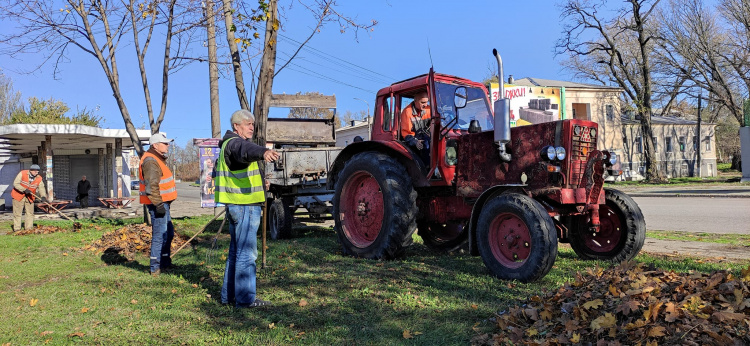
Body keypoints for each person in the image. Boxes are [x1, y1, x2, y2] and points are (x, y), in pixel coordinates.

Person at [215, 109, 280, 308]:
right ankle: (245, 300)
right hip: (244, 207)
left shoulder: (228, 143)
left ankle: (230, 296)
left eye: (253, 124)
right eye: (247, 123)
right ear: (236, 126)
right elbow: (244, 151)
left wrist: (262, 184)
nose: (252, 127)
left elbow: (240, 167)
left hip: (239, 205)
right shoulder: (235, 143)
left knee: (236, 252)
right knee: (246, 254)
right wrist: (263, 152)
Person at [139, 133, 177, 276]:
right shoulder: (150, 161)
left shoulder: (157, 159)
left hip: (162, 203)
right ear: (155, 145)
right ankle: (155, 267)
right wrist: (159, 205)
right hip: (158, 204)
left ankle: (165, 262)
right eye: (165, 143)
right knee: (160, 235)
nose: (168, 145)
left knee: (169, 232)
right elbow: (151, 186)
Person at [11, 164, 47, 232]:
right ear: (31, 170)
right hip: (18, 195)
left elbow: (41, 187)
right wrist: (24, 189)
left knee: (30, 213)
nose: (37, 173)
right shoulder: (22, 173)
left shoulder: (39, 178)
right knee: (17, 213)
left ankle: (28, 228)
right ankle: (17, 228)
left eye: (38, 171)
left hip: (30, 196)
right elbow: (16, 183)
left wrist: (43, 196)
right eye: (35, 171)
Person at [400, 91, 432, 164]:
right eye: (423, 102)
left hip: (425, 134)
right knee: (426, 145)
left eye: (427, 102)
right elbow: (406, 134)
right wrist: (415, 141)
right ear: (415, 101)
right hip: (413, 137)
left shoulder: (429, 109)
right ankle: (426, 168)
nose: (425, 105)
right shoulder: (407, 112)